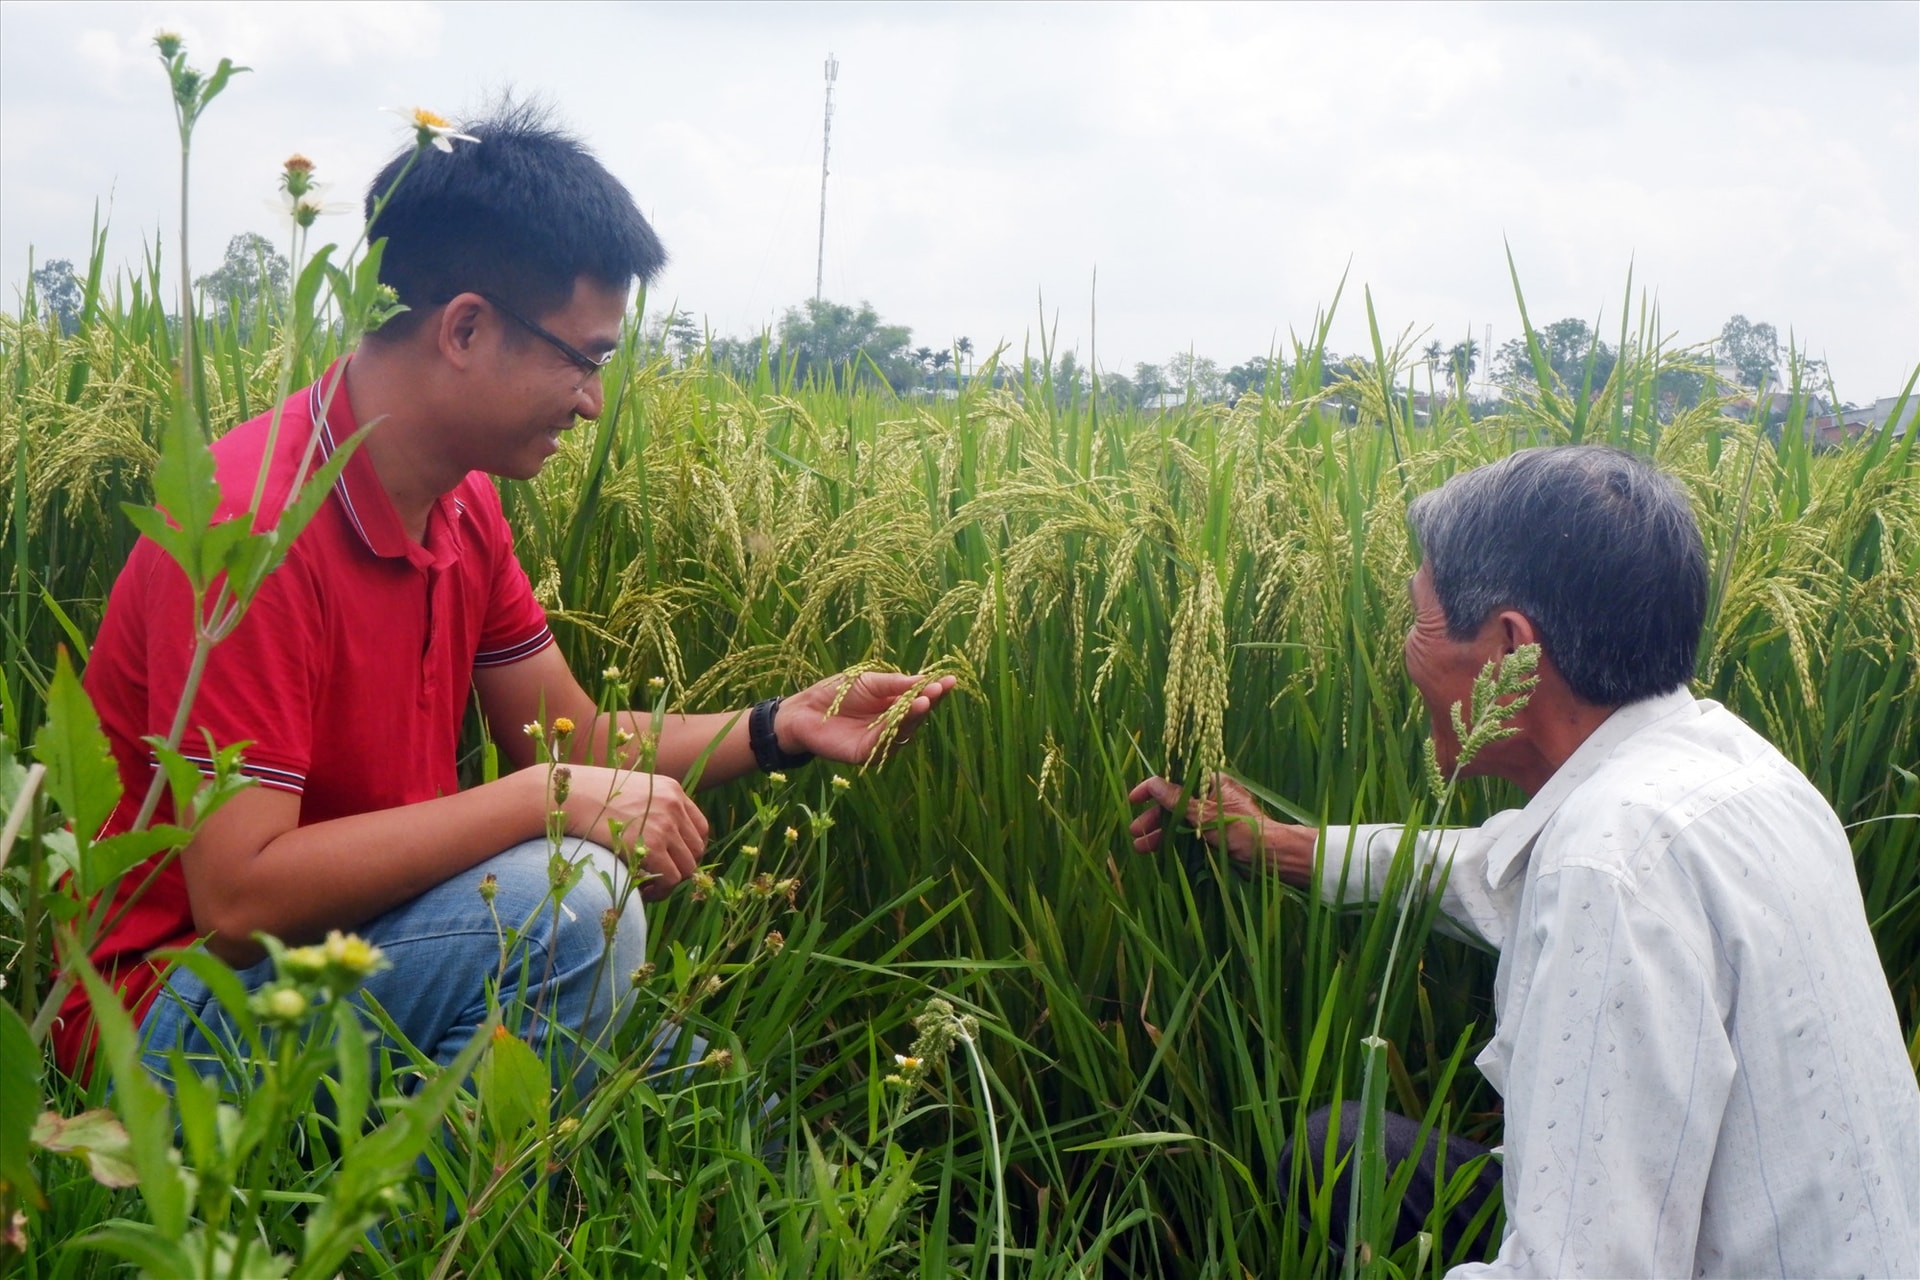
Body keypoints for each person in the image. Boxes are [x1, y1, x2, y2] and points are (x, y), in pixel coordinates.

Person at [53, 104, 955, 1093]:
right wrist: (544, 801)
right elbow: (237, 895)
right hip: (165, 1013)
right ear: (467, 327)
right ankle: (390, 1242)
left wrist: (787, 724)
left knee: (712, 1101)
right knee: (569, 911)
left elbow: (569, 738)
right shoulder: (252, 528)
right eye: (585, 356)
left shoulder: (463, 505)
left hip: (350, 954)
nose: (592, 398)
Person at [1130, 445, 1920, 1277]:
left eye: (1420, 619)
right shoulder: (1737, 771)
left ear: (1510, 646)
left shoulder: (1608, 867)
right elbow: (1488, 868)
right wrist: (1279, 846)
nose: (1407, 650)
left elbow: (1584, 1269)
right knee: (1344, 1147)